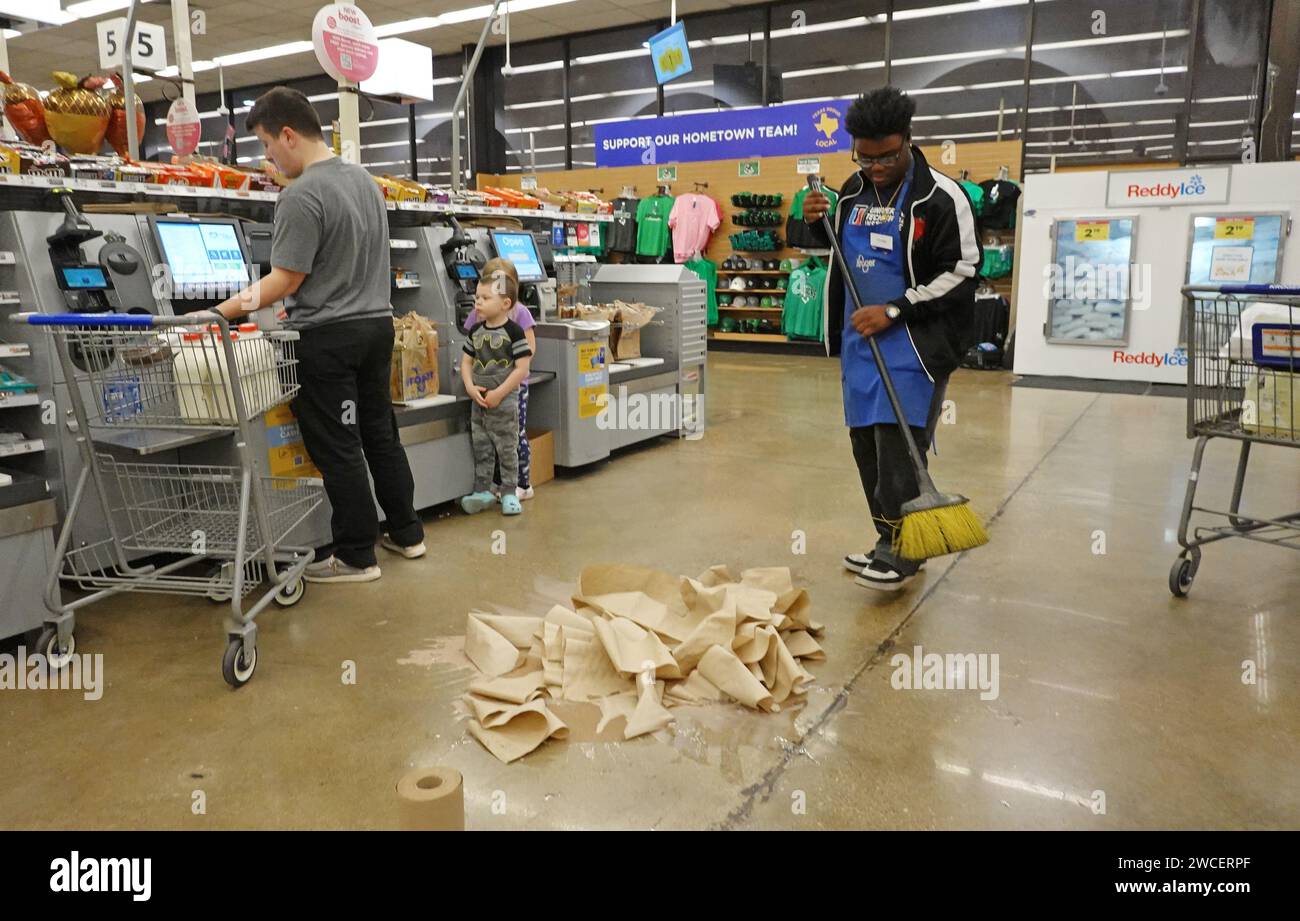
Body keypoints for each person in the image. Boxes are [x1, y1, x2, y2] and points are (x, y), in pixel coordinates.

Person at [213, 86, 425, 584]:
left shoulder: (301, 195)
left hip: (329, 339)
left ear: (288, 134)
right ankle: (407, 533)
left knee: (339, 447)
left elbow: (285, 280)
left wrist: (220, 311)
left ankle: (356, 555)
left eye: (267, 145)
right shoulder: (365, 181)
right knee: (379, 435)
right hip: (377, 328)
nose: (267, 157)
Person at [803, 86, 981, 593]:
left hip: (916, 347)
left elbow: (964, 271)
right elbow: (830, 245)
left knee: (899, 451)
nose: (875, 167)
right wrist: (815, 220)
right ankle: (891, 539)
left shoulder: (942, 197)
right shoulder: (854, 192)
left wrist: (896, 309)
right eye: (865, 156)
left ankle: (902, 554)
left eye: (887, 156)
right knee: (867, 450)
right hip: (861, 344)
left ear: (908, 140)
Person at [461, 257, 538, 501]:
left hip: (513, 389)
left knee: (513, 436)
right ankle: (495, 483)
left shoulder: (521, 315)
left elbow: (529, 351)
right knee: (487, 437)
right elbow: (469, 352)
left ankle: (521, 484)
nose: (480, 303)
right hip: (484, 389)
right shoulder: (477, 316)